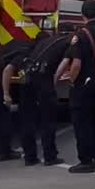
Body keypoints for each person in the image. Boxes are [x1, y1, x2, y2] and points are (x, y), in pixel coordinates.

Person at [64, 0, 95, 173]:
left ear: (82, 14)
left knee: (82, 123)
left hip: (83, 85)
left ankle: (85, 160)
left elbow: (76, 63)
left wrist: (71, 80)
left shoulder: (81, 35)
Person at [17, 29, 72, 166]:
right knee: (48, 120)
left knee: (27, 120)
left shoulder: (43, 43)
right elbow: (65, 62)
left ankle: (29, 157)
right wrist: (55, 81)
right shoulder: (67, 42)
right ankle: (50, 157)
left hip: (28, 79)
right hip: (44, 81)